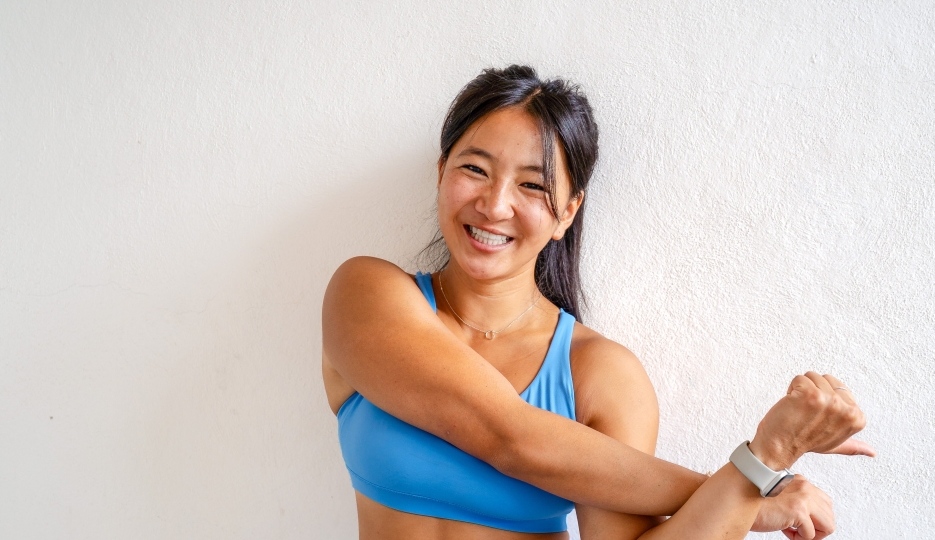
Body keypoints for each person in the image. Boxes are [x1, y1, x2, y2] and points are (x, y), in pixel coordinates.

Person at [321, 65, 872, 540]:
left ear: (567, 212)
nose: (494, 204)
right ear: (441, 173)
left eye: (533, 186)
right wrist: (747, 490)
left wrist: (767, 456)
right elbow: (503, 435)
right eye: (474, 169)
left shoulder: (599, 372)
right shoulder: (366, 293)